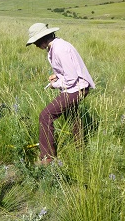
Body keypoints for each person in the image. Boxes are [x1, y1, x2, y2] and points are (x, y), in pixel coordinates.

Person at [26, 23, 95, 166]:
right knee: (72, 116)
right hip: (77, 87)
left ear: (42, 38)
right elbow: (68, 72)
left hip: (76, 89)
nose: (35, 46)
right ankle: (79, 150)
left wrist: (55, 84)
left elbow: (71, 79)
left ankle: (48, 158)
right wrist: (57, 76)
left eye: (36, 42)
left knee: (45, 115)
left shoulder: (59, 49)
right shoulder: (55, 47)